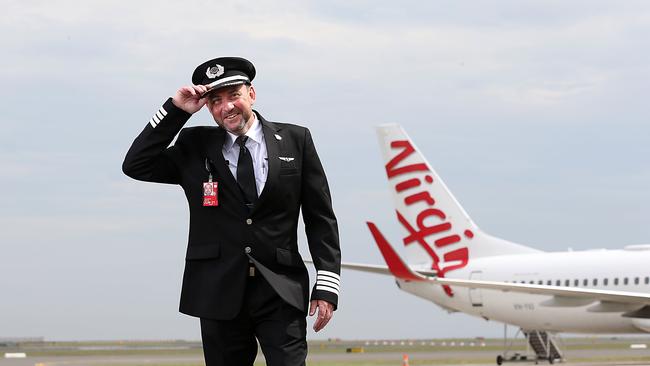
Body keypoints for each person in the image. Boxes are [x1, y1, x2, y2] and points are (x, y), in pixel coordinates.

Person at [122, 57, 341, 366]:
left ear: (251, 93)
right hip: (217, 290)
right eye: (215, 100)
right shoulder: (194, 145)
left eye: (233, 95)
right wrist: (175, 110)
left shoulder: (296, 140)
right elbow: (136, 165)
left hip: (280, 289)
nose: (226, 107)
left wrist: (327, 286)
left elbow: (321, 219)